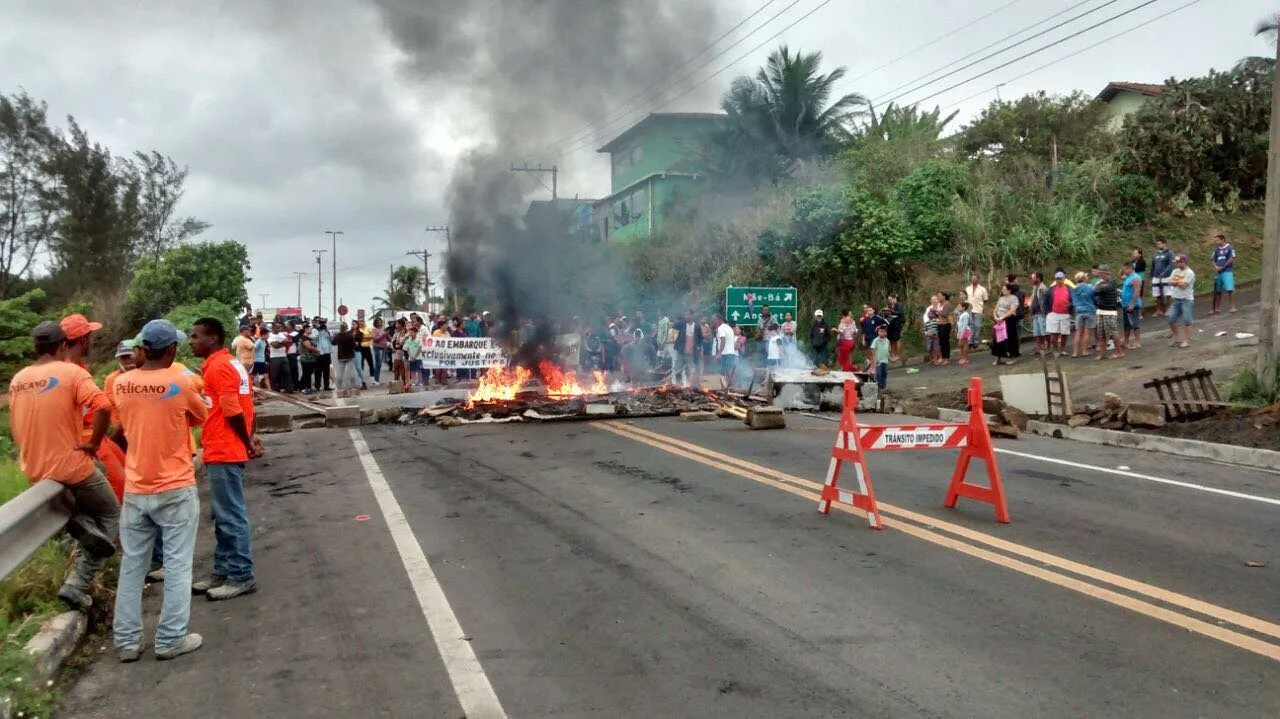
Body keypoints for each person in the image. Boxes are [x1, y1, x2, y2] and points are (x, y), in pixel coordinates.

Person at [111, 319, 208, 662]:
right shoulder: (180, 383)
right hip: (175, 486)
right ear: (170, 350)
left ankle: (126, 642)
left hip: (136, 488)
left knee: (133, 566)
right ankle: (169, 640)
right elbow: (200, 416)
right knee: (178, 565)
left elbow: (123, 422)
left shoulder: (121, 384)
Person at [9, 321, 118, 610]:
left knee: (101, 477)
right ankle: (78, 583)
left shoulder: (19, 378)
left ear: (35, 348)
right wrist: (94, 443)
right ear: (61, 346)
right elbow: (104, 406)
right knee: (110, 512)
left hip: (35, 468)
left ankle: (81, 526)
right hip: (71, 467)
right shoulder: (70, 371)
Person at [189, 317, 263, 601]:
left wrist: (246, 443)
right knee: (221, 515)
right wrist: (250, 438)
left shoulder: (219, 367)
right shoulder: (230, 364)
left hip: (224, 449)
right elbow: (248, 407)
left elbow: (232, 410)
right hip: (223, 448)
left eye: (196, 337)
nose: (192, 341)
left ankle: (241, 575)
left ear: (212, 339)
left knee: (230, 516)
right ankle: (222, 570)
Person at [1093, 265, 1123, 360]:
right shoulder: (1101, 282)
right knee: (1100, 333)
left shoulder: (1112, 282)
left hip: (1110, 311)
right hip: (1100, 310)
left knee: (1112, 332)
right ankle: (1103, 354)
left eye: (1101, 273)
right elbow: (1096, 291)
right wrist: (1099, 287)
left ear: (1106, 273)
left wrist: (1100, 287)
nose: (1099, 275)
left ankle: (1119, 352)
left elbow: (1101, 289)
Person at [1168, 254, 1196, 348]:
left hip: (1186, 299)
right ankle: (1177, 339)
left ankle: (1186, 340)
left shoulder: (1190, 273)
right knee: (1171, 320)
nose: (1176, 264)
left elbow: (1184, 286)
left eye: (1178, 262)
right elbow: (1169, 282)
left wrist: (1175, 282)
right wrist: (1178, 283)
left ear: (1183, 262)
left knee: (1187, 320)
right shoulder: (1175, 271)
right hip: (1176, 298)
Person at [991, 283, 1020, 366]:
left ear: (1009, 290)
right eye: (1002, 289)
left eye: (1004, 289)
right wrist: (995, 316)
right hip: (999, 320)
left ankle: (1012, 357)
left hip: (1008, 319)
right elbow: (995, 309)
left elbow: (1012, 310)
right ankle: (998, 357)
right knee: (997, 339)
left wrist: (1003, 317)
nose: (1003, 291)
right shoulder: (1001, 298)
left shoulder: (1014, 298)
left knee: (1010, 338)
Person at [1046, 272, 1074, 354]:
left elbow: (1073, 300)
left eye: (1060, 278)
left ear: (1064, 279)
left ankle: (1062, 349)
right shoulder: (1051, 289)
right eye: (1057, 278)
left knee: (1064, 333)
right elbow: (1046, 301)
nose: (1059, 280)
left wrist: (1070, 304)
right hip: (1053, 313)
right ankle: (1055, 349)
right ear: (1055, 279)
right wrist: (1047, 312)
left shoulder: (1069, 289)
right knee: (1054, 333)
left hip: (1065, 314)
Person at [1070, 271, 1097, 358]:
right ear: (1084, 278)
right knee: (1087, 332)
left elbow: (1073, 302)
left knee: (1078, 332)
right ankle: (1085, 350)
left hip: (1079, 311)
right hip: (1090, 310)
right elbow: (1095, 298)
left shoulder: (1074, 289)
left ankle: (1075, 352)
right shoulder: (1090, 288)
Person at [673, 309, 702, 387]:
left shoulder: (697, 326)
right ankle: (678, 385)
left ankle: (688, 386)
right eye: (685, 315)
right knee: (678, 370)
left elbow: (700, 338)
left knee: (689, 370)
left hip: (691, 353)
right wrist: (683, 320)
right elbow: (674, 326)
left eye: (688, 315)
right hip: (681, 351)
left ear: (692, 315)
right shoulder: (682, 324)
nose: (686, 316)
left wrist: (699, 347)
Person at [1211, 233, 1236, 314]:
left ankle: (1232, 306)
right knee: (1218, 290)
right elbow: (1213, 259)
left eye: (1217, 240)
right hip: (1219, 272)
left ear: (1222, 240)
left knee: (1230, 289)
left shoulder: (1230, 248)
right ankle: (1217, 307)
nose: (1215, 242)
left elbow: (1231, 259)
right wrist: (1216, 267)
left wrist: (1223, 267)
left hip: (1227, 271)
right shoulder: (1216, 250)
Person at [1121, 261, 1143, 350]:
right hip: (1125, 304)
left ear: (1130, 268)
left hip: (1133, 304)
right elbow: (1120, 274)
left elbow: (1137, 291)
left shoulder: (1135, 278)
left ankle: (1137, 342)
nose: (1124, 271)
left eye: (1125, 269)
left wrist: (1132, 304)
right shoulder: (1128, 277)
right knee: (1126, 324)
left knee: (1135, 324)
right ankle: (1126, 342)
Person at [1150, 239, 1175, 316]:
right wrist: (1152, 274)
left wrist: (1164, 273)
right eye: (1157, 244)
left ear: (1164, 244)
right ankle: (1159, 310)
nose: (1158, 245)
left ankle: (1170, 309)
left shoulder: (1169, 253)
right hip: (1156, 276)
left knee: (1168, 293)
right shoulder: (1156, 254)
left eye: (1160, 244)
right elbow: (1153, 265)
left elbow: (1171, 265)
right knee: (1156, 294)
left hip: (1166, 276)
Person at [964, 273, 988, 348]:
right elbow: (965, 298)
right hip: (969, 310)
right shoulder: (967, 288)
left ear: (978, 279)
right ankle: (970, 341)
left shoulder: (982, 289)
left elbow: (985, 299)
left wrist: (981, 306)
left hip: (978, 310)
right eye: (972, 278)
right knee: (970, 326)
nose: (973, 279)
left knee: (977, 326)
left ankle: (975, 341)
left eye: (975, 278)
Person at [333, 322, 359, 392]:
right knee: (351, 371)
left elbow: (333, 342)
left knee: (340, 372)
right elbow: (353, 345)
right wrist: (356, 343)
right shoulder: (350, 335)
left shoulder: (338, 336)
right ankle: (353, 387)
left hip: (341, 356)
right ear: (347, 328)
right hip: (350, 355)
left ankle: (339, 387)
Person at [1028, 271, 1050, 354]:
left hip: (1041, 313)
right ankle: (1038, 348)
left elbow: (1046, 301)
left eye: (1033, 278)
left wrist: (1046, 311)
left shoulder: (1043, 288)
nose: (1032, 279)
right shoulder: (1035, 288)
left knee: (1044, 331)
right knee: (1036, 332)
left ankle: (1047, 346)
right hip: (1035, 313)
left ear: (1038, 279)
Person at [266, 321, 291, 392]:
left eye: (280, 327)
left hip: (283, 355)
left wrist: (280, 343)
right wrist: (283, 343)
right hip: (274, 356)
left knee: (287, 372)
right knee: (275, 374)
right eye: (278, 327)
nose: (280, 329)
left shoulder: (281, 334)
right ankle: (275, 388)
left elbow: (288, 342)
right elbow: (274, 346)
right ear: (273, 328)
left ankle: (289, 388)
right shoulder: (270, 335)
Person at [713, 313, 737, 385]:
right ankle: (730, 387)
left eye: (714, 320)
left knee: (725, 372)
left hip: (725, 353)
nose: (713, 322)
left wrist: (719, 353)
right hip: (731, 353)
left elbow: (723, 340)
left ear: (719, 320)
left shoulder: (720, 328)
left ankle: (729, 387)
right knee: (728, 371)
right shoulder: (728, 327)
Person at [313, 318, 334, 391]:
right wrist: (318, 331)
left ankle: (326, 386)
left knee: (326, 370)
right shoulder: (315, 331)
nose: (322, 325)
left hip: (327, 352)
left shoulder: (328, 331)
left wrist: (327, 331)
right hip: (318, 353)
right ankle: (317, 386)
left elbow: (332, 340)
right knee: (318, 371)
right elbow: (314, 340)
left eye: (323, 323)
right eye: (321, 323)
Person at [870, 324, 891, 391]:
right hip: (878, 360)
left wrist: (889, 357)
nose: (882, 333)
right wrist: (875, 359)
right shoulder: (876, 340)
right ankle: (879, 387)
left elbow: (888, 350)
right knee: (878, 374)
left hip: (885, 360)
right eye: (880, 331)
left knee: (884, 374)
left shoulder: (887, 341)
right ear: (878, 332)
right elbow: (872, 349)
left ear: (886, 333)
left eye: (883, 332)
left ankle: (883, 387)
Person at [886, 293, 905, 362]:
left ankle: (898, 355)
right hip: (891, 324)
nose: (890, 301)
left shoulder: (899, 304)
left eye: (890, 299)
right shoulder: (890, 305)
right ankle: (892, 354)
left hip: (897, 324)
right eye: (889, 300)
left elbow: (900, 313)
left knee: (896, 340)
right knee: (891, 340)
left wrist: (891, 311)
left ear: (894, 298)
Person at [955, 302, 973, 366]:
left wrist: (961, 334)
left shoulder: (965, 315)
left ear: (963, 308)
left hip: (964, 331)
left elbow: (965, 325)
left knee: (964, 344)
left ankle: (965, 358)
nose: (958, 308)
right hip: (961, 331)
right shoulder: (961, 314)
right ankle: (963, 357)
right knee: (961, 345)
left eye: (959, 307)